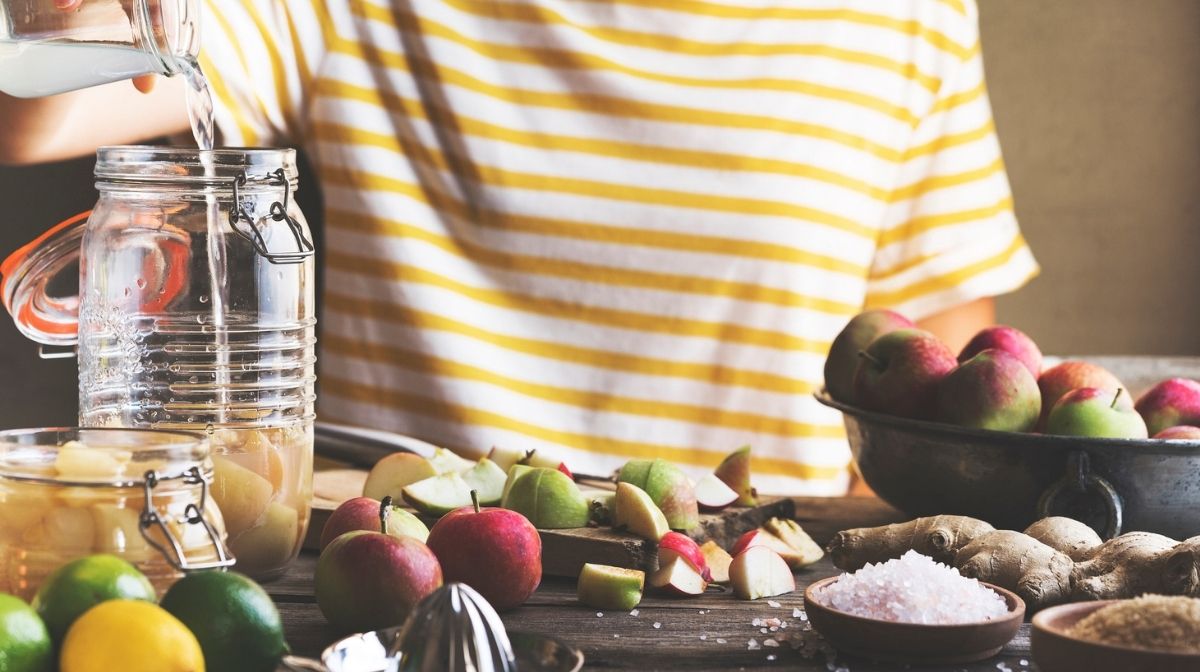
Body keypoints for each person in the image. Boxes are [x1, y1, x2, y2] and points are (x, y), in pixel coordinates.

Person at [0, 0, 1037, 495]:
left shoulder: (908, 18)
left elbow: (930, 376)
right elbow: (31, 106)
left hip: (756, 605)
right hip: (386, 600)